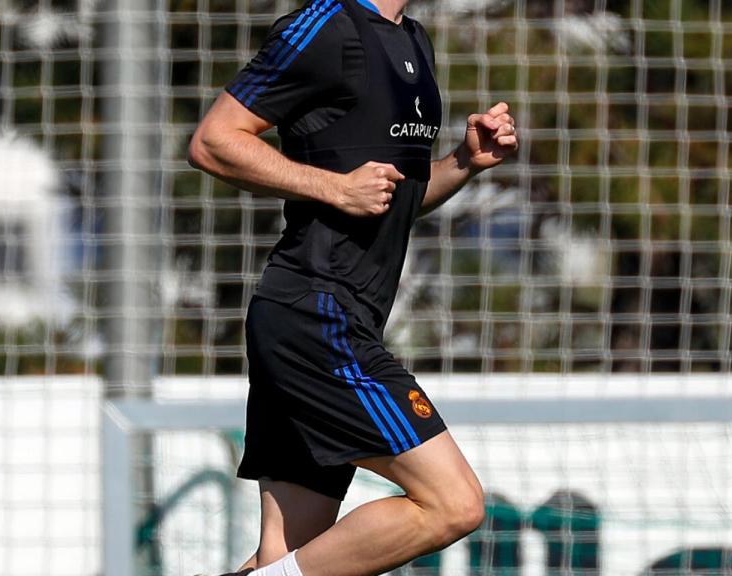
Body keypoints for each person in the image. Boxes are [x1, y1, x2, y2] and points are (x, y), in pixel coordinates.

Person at [187, 0, 518, 574]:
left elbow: (394, 200)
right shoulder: (323, 26)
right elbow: (214, 140)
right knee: (453, 503)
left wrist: (464, 161)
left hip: (330, 319)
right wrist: (332, 188)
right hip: (317, 316)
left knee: (284, 558)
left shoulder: (411, 39)